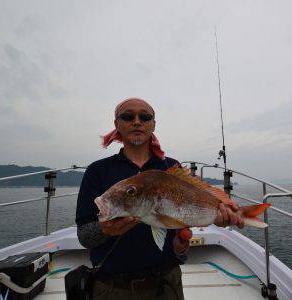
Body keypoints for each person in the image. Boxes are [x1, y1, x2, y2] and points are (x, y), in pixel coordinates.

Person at [76, 97, 244, 299]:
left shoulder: (171, 167)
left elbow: (179, 231)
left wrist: (180, 248)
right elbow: (84, 236)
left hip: (167, 283)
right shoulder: (97, 171)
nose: (137, 121)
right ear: (117, 124)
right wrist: (104, 229)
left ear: (153, 124)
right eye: (128, 116)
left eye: (145, 117)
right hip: (112, 286)